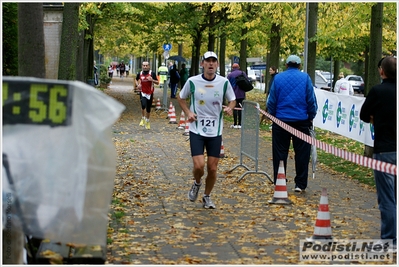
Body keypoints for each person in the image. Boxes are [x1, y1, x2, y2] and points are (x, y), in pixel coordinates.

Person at [177, 51, 236, 209]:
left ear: (217, 64)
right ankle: (197, 183)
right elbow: (180, 97)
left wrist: (230, 108)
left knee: (212, 167)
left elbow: (233, 100)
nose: (211, 64)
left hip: (215, 132)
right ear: (202, 64)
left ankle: (207, 196)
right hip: (196, 129)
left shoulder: (223, 82)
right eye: (207, 61)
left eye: (213, 61)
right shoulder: (192, 81)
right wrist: (188, 112)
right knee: (199, 166)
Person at [360, 56, 397, 251]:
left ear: (381, 71)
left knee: (387, 198)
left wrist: (376, 117)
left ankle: (390, 240)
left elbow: (363, 115)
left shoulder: (378, 91)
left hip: (385, 150)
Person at [267, 55, 318, 192]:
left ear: (286, 65)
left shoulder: (277, 78)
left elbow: (271, 101)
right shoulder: (305, 78)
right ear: (299, 66)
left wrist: (272, 115)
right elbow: (311, 101)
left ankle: (280, 181)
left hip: (281, 121)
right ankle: (300, 184)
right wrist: (311, 116)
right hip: (301, 121)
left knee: (280, 153)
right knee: (302, 153)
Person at [135, 61, 159, 130]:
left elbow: (157, 83)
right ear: (142, 66)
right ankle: (143, 118)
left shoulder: (152, 73)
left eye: (146, 65)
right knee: (143, 105)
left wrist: (152, 80)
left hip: (150, 93)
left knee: (148, 108)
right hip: (142, 92)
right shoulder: (140, 73)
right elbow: (136, 80)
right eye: (144, 65)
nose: (145, 67)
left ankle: (147, 121)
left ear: (149, 66)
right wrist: (138, 85)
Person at [227, 63, 247, 128]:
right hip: (241, 93)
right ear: (239, 67)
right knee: (240, 108)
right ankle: (240, 124)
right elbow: (247, 81)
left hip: (233, 94)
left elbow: (228, 84)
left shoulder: (230, 75)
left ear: (232, 68)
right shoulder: (242, 73)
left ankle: (235, 124)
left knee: (235, 108)